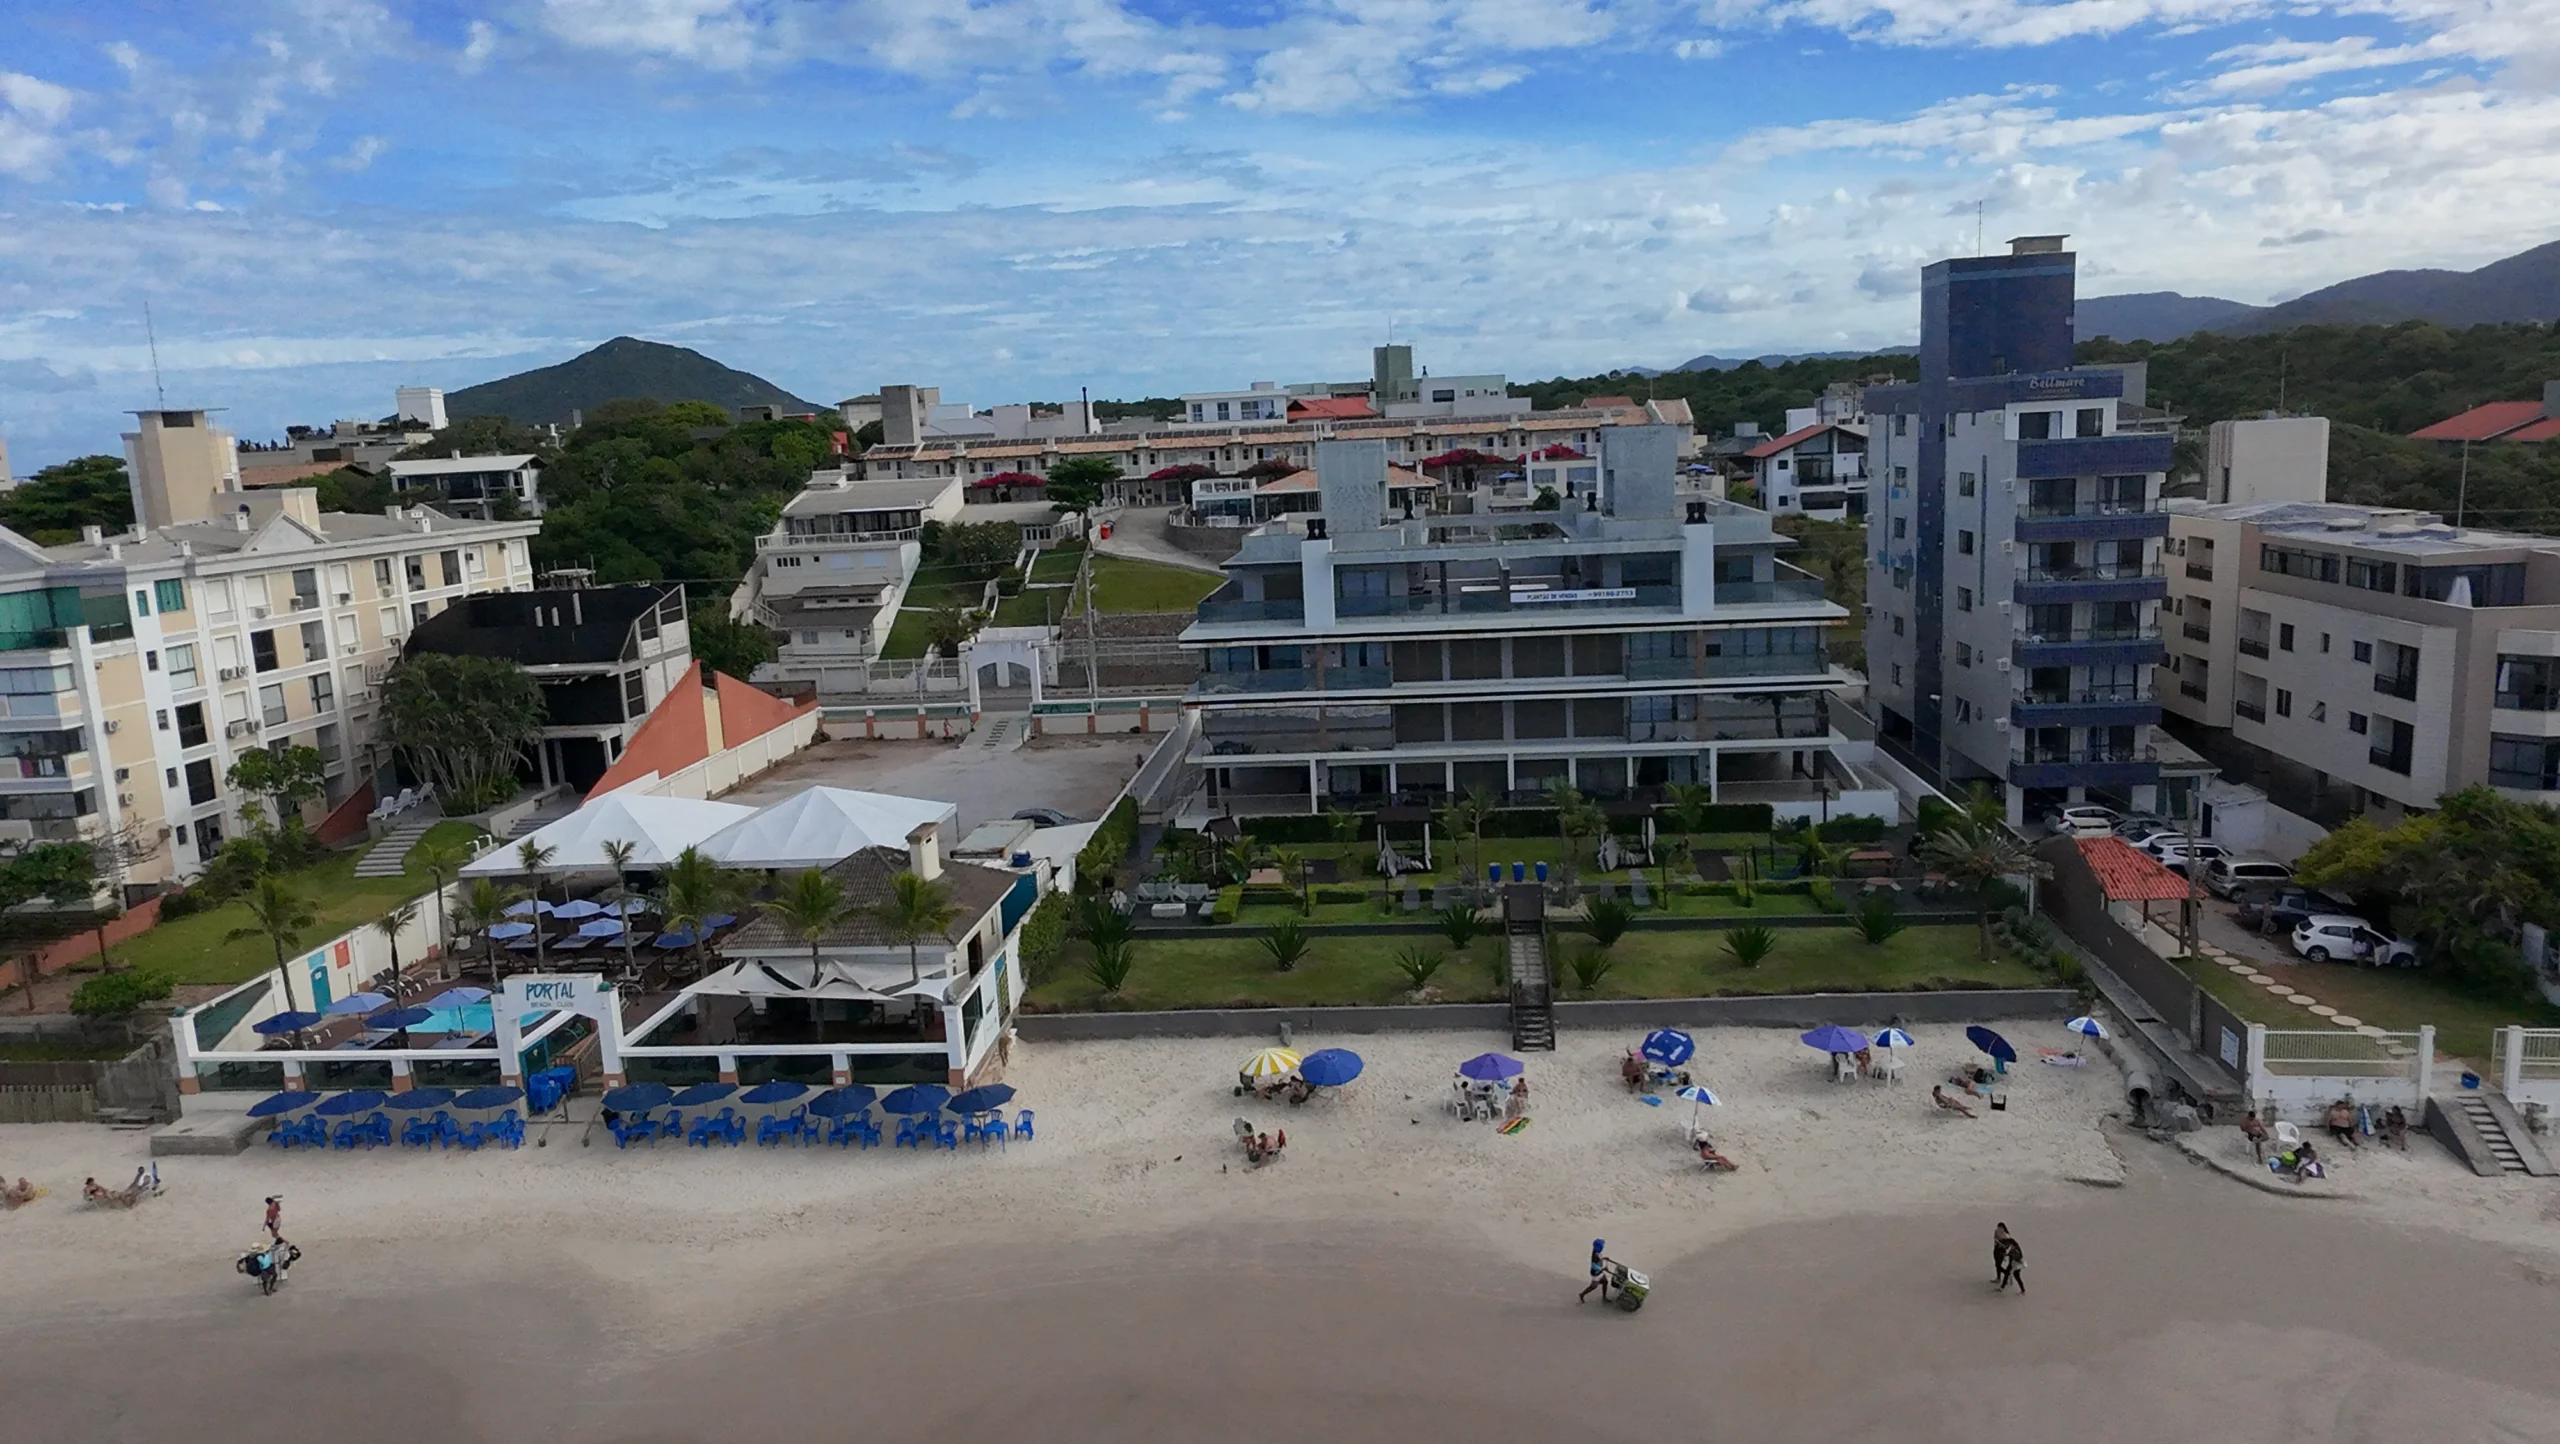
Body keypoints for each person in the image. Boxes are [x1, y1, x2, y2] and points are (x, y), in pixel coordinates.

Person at [1579, 1239, 1614, 1303]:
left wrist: (1604, 1258)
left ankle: (1604, 1297)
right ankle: (1582, 1294)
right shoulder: (1595, 1256)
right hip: (1596, 1273)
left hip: (1599, 1272)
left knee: (1605, 1282)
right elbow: (1594, 1266)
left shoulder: (1596, 1252)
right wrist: (1603, 1269)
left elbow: (1599, 1259)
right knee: (1593, 1287)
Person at [1993, 1224, 2025, 1294]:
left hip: (2015, 1261)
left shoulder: (2008, 1244)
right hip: (2016, 1260)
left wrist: (2004, 1254)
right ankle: (2003, 1288)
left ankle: (2022, 1290)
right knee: (2010, 1274)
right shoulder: (2012, 1242)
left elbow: (2008, 1251)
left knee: (2015, 1275)